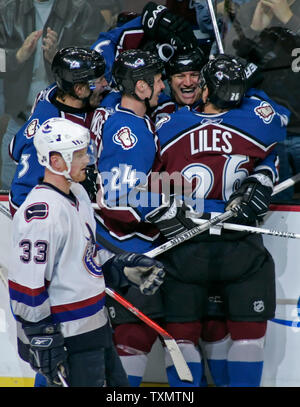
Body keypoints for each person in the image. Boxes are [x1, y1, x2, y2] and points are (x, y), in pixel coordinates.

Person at [145, 54, 290, 387]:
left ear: (206, 90)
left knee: (180, 339)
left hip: (185, 246)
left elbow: (149, 180)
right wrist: (263, 178)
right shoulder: (258, 121)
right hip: (240, 245)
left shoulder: (170, 125)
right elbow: (278, 145)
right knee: (248, 338)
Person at [8, 117, 165, 387]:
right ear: (56, 161)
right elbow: (27, 287)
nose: (87, 160)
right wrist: (42, 338)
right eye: (79, 154)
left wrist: (121, 268)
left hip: (95, 331)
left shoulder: (78, 194)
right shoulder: (41, 213)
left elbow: (85, 257)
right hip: (68, 340)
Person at [90, 49, 167, 387]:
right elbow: (116, 200)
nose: (163, 86)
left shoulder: (121, 116)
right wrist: (168, 207)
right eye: (158, 80)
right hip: (123, 248)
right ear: (141, 86)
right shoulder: (128, 130)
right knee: (124, 339)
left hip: (114, 246)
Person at [0, 0, 105, 190]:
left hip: (69, 121)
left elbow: (97, 63)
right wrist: (16, 56)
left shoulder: (80, 10)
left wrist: (56, 57)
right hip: (20, 118)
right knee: (12, 189)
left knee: (68, 190)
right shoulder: (7, 9)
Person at [9, 46, 108, 217]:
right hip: (43, 216)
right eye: (98, 80)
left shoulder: (54, 93)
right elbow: (21, 198)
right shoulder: (53, 130)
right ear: (78, 89)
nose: (105, 84)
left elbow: (14, 149)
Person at [223, 0, 300, 201]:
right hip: (266, 133)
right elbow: (227, 67)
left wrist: (289, 19)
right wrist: (254, 30)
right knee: (274, 208)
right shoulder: (250, 10)